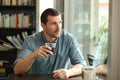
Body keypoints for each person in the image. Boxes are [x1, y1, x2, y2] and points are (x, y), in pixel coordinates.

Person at [14, 8, 86, 79]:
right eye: (53, 23)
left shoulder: (69, 39)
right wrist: (34, 55)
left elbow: (82, 65)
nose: (59, 28)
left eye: (60, 22)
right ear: (43, 25)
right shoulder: (30, 40)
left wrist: (68, 72)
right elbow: (17, 70)